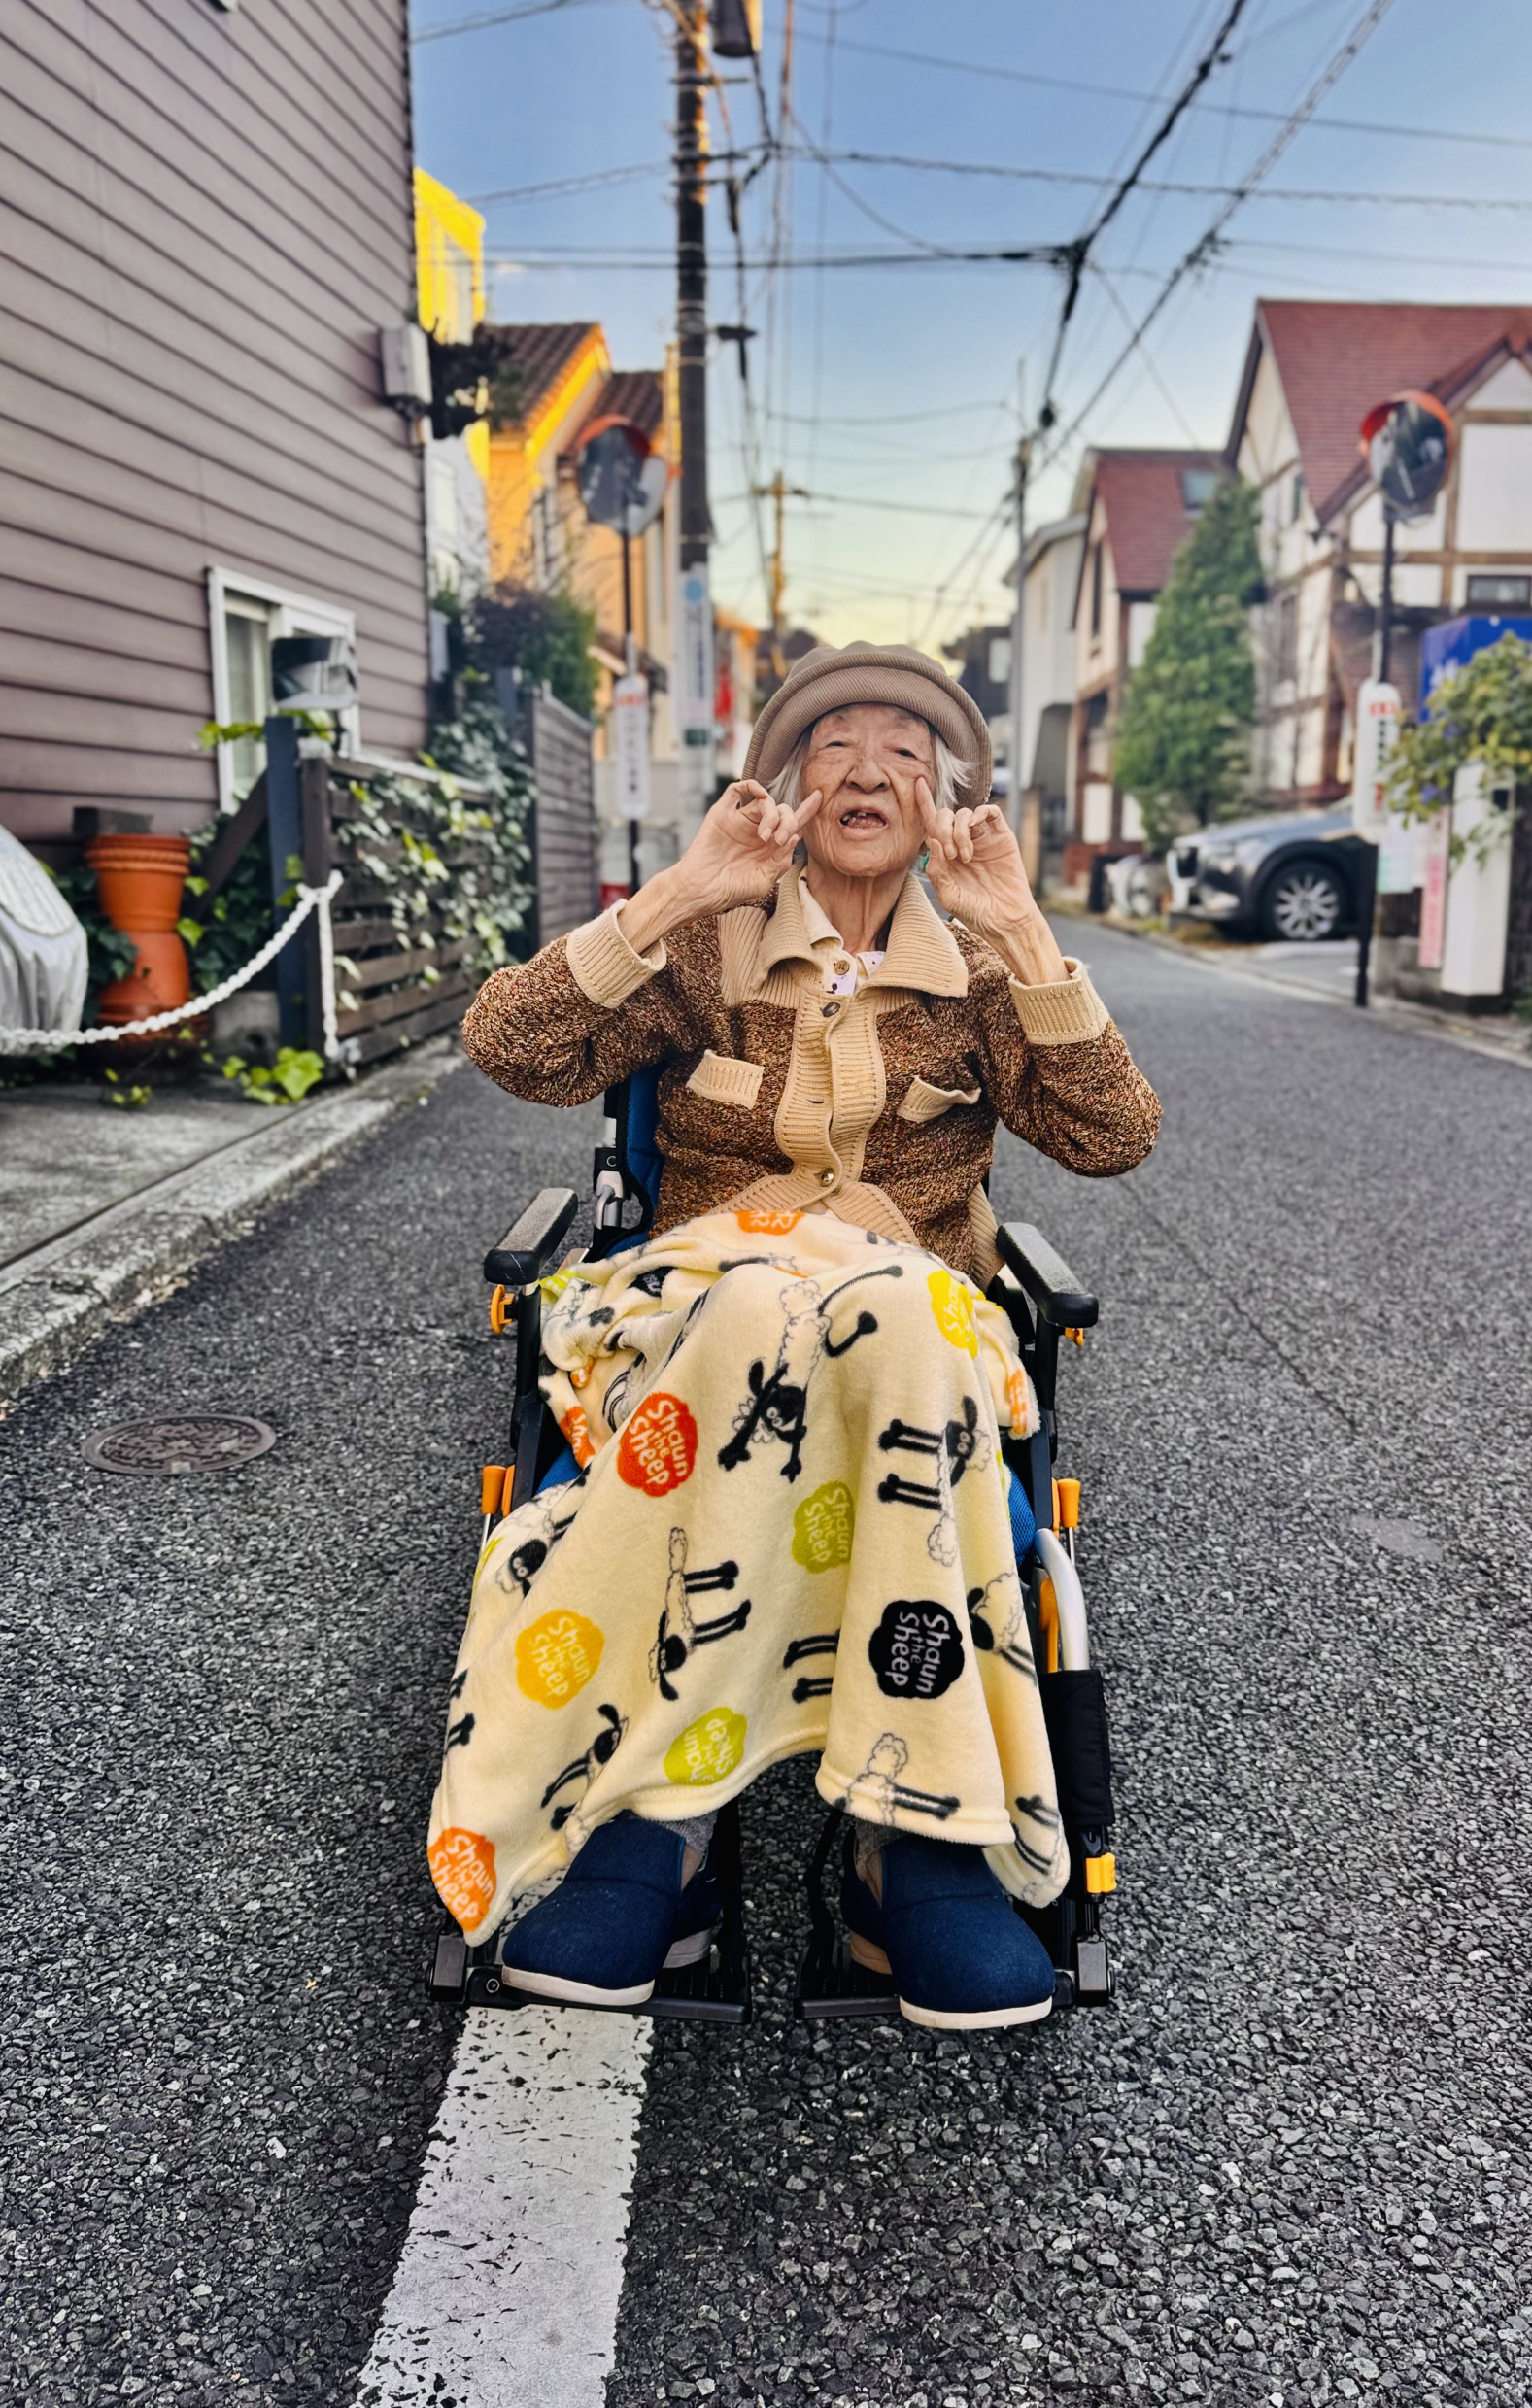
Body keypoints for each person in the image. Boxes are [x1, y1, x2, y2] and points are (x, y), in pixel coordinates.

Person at [431, 641, 1159, 2031]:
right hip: (705, 1309)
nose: (868, 772)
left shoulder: (978, 970)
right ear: (784, 785)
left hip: (908, 1325)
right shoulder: (709, 942)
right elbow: (509, 1048)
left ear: (946, 801)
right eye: (835, 747)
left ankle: (915, 1838)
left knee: (894, 1315)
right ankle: (661, 1824)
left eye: (905, 753)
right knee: (762, 1304)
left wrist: (1023, 934)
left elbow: (1114, 1135)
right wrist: (681, 889)